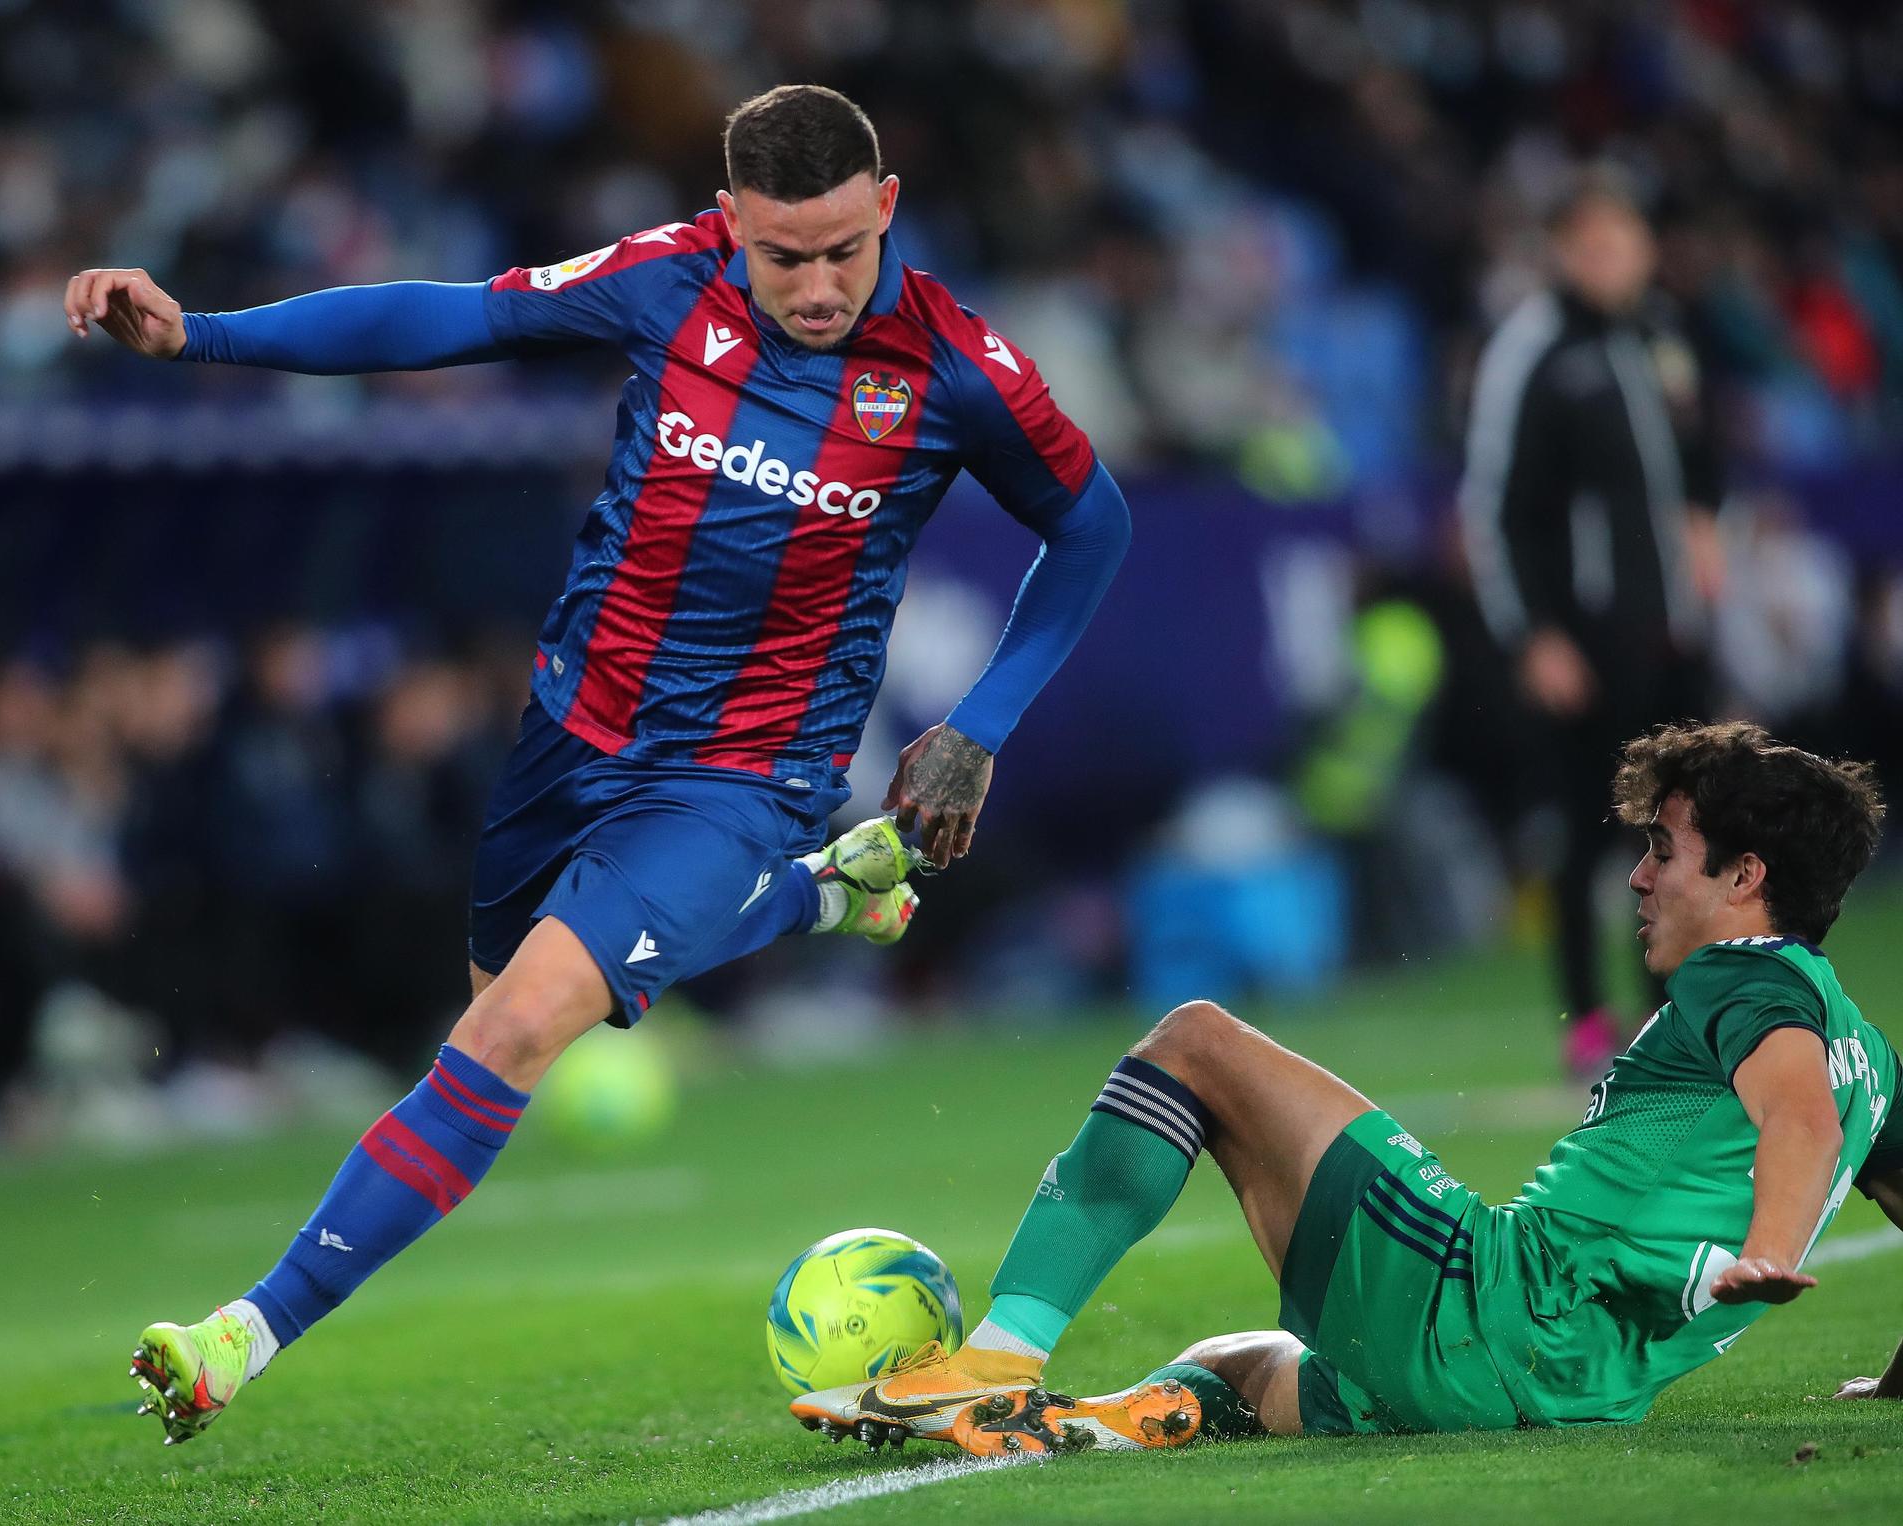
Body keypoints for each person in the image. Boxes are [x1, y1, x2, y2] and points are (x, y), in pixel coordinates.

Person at [63, 84, 1132, 1444]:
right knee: (502, 998)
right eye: (783, 253)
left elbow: (1091, 526)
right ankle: (821, 898)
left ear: (889, 212)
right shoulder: (665, 280)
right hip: (569, 737)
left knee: (510, 1029)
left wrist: (979, 723)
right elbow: (450, 315)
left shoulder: (959, 369)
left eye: (844, 252)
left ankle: (240, 1334)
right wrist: (201, 335)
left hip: (747, 773)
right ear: (731, 218)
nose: (815, 285)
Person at [794, 721, 1901, 1453]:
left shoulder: (1739, 979)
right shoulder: (1870, 1056)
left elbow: (1791, 1111)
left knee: (1194, 1040)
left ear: (1744, 877)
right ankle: (1089, 1425)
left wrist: (1769, 1248)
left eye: (1664, 847)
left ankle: (990, 1361)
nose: (1638, 873)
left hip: (1492, 1304)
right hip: (1569, 1391)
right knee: (1231, 1361)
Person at [1459, 177, 1725, 1076]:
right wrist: (1533, 632)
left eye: (1627, 242)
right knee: (1586, 828)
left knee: (1686, 824)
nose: (1614, 261)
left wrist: (1703, 534)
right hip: (1584, 634)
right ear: (1565, 251)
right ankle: (1585, 1021)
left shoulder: (1656, 336)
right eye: (1595, 245)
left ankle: (1671, 1013)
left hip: (1669, 628)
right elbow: (1496, 505)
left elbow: (1695, 463)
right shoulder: (1533, 349)